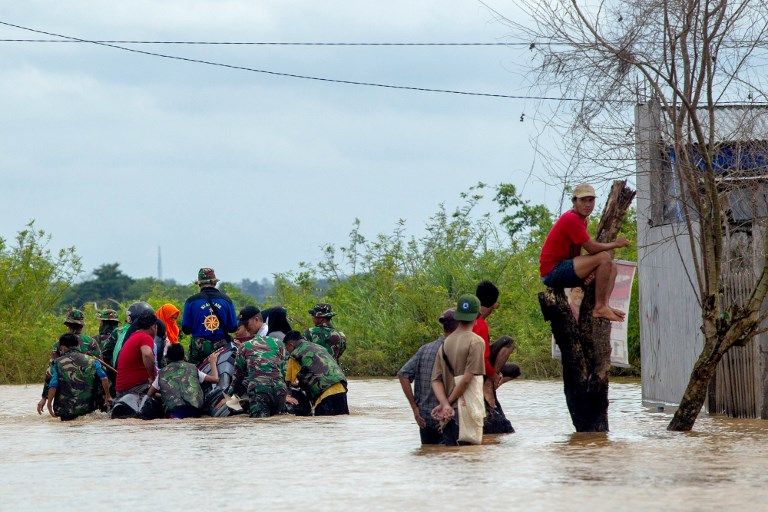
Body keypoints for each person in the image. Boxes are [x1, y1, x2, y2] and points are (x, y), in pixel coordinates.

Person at [539, 183, 629, 322]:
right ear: (574, 201)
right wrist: (616, 244)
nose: (588, 204)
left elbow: (577, 252)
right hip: (552, 272)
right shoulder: (571, 218)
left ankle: (605, 305)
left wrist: (588, 271)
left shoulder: (582, 220)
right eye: (583, 200)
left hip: (565, 266)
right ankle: (599, 307)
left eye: (591, 200)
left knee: (612, 266)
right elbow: (591, 248)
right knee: (604, 258)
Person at [431, 294, 486, 446]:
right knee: (471, 463)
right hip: (467, 412)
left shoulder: (444, 344)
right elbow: (468, 379)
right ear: (477, 317)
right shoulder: (476, 341)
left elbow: (435, 380)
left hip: (449, 416)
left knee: (452, 463)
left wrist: (445, 405)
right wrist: (448, 403)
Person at [398, 308, 458, 444]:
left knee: (429, 457)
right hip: (449, 417)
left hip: (424, 417)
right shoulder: (457, 350)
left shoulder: (425, 349)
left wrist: (415, 408)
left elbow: (403, 375)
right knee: (452, 459)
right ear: (460, 326)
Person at [38, 308, 103, 413]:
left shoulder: (60, 344)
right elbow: (101, 370)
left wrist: (44, 398)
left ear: (67, 325)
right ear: (82, 325)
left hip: (65, 401)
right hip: (90, 398)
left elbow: (51, 372)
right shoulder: (92, 342)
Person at [228, 306, 287, 418]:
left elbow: (237, 379)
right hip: (280, 391)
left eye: (246, 323)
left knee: (259, 427)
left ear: (256, 319)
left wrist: (228, 399)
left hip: (260, 392)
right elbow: (283, 371)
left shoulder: (247, 345)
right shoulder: (278, 342)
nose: (245, 327)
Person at [40, 333, 112, 421]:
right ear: (77, 345)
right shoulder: (92, 360)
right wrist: (108, 396)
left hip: (65, 411)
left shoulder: (57, 363)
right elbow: (104, 377)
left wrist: (49, 403)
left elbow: (53, 384)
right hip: (89, 408)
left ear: (63, 347)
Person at [283, 330, 349, 416]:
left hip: (324, 394)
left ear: (290, 345)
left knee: (323, 426)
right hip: (341, 389)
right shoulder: (320, 347)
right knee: (341, 422)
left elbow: (290, 382)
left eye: (287, 348)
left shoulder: (295, 355)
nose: (288, 351)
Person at [181, 267, 238, 364]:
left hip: (199, 351)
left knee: (196, 375)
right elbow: (233, 327)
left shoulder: (191, 301)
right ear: (215, 283)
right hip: (222, 350)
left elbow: (186, 328)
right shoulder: (226, 300)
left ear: (199, 283)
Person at [147, 344, 220, 419]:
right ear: (184, 356)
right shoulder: (193, 368)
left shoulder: (161, 373)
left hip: (173, 413)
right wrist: (212, 362)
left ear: (167, 358)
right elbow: (215, 379)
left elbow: (149, 394)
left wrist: (163, 395)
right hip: (194, 411)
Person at [115, 311, 158, 398]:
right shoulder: (145, 337)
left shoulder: (134, 336)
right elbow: (147, 354)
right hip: (135, 389)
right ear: (153, 327)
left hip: (122, 389)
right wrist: (152, 378)